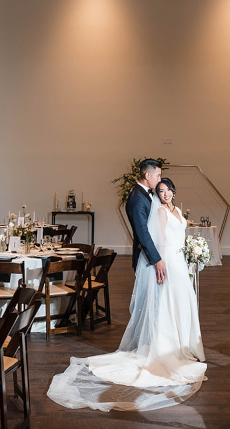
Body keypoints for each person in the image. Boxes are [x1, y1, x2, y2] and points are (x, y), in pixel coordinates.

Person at [47, 165, 206, 412]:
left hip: (177, 260)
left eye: (167, 187)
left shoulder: (163, 204)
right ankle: (164, 347)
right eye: (159, 183)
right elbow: (147, 234)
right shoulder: (141, 200)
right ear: (148, 176)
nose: (163, 190)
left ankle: (182, 344)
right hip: (163, 260)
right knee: (164, 304)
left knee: (179, 302)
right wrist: (158, 261)